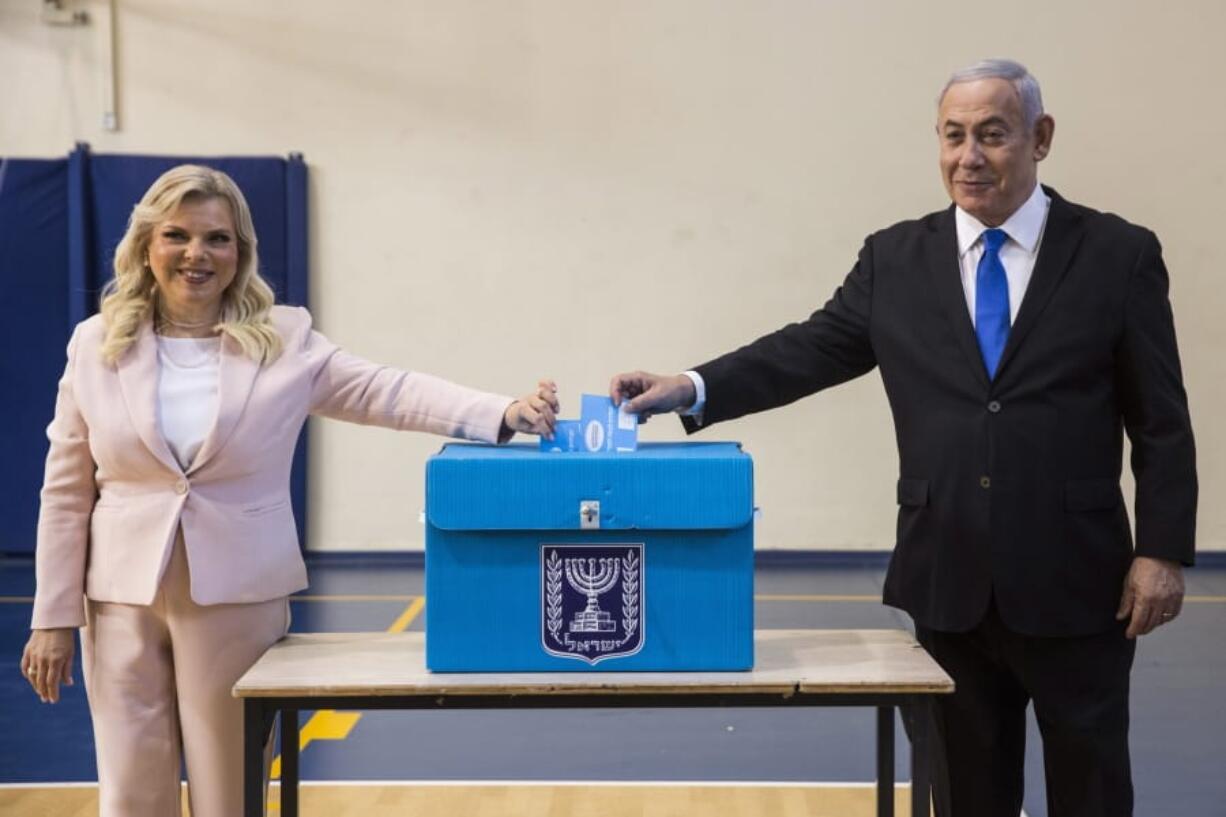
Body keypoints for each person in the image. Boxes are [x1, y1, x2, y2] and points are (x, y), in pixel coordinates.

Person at [609, 59, 1196, 817]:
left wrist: (1161, 550)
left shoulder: (1119, 254)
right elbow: (807, 350)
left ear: (1040, 138)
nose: (969, 156)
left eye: (992, 134)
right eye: (953, 136)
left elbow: (1162, 418)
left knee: (1092, 785)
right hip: (947, 576)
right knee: (963, 791)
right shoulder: (895, 258)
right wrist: (690, 385)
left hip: (1080, 581)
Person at [19, 164, 560, 816]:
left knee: (232, 788)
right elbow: (66, 490)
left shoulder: (285, 339)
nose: (197, 254)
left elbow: (389, 390)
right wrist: (52, 615)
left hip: (237, 591)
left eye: (217, 238)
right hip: (117, 600)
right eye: (177, 235)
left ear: (240, 252)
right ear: (146, 245)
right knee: (131, 791)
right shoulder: (95, 344)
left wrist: (503, 411)